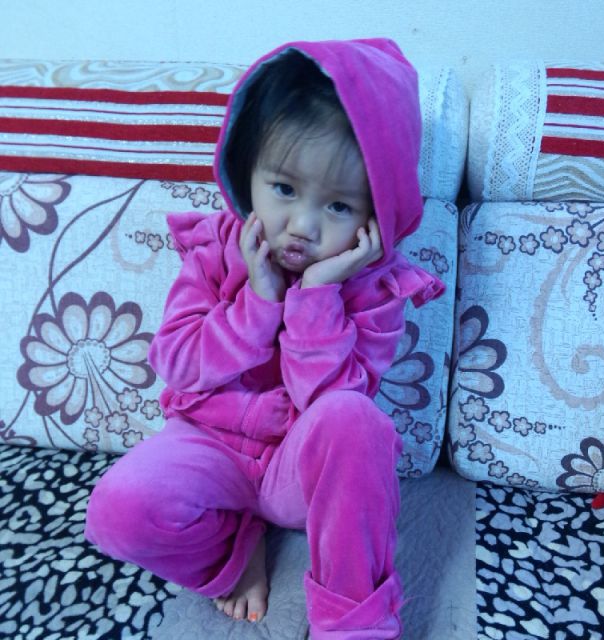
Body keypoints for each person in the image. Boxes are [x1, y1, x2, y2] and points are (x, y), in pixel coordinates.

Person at [85, 38, 444, 639]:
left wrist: (316, 296)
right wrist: (259, 301)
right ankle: (233, 548)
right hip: (207, 446)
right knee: (117, 511)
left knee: (356, 420)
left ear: (375, 217)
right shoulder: (216, 249)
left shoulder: (375, 288)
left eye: (338, 206)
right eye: (284, 189)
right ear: (247, 170)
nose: (302, 226)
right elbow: (176, 360)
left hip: (294, 475)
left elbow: (333, 403)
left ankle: (352, 624)